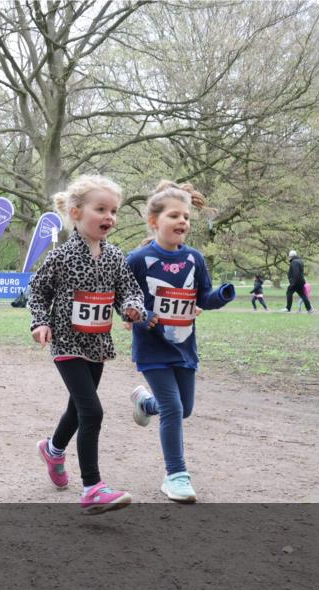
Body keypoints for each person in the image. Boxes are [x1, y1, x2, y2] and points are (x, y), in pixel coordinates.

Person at [28, 174, 145, 515]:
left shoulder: (114, 257)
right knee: (92, 410)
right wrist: (40, 322)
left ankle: (52, 450)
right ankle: (93, 487)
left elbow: (129, 291)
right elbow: (37, 291)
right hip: (66, 342)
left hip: (97, 343)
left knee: (77, 409)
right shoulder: (61, 257)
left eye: (114, 210)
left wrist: (133, 308)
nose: (109, 216)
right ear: (76, 213)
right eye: (101, 209)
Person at [126, 181, 236, 504]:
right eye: (175, 215)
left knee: (183, 408)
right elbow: (126, 301)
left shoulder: (194, 259)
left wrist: (222, 296)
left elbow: (204, 297)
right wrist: (143, 316)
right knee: (173, 408)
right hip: (152, 349)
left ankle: (145, 404)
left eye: (186, 216)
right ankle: (175, 475)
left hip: (184, 347)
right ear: (154, 221)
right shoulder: (137, 260)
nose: (183, 222)